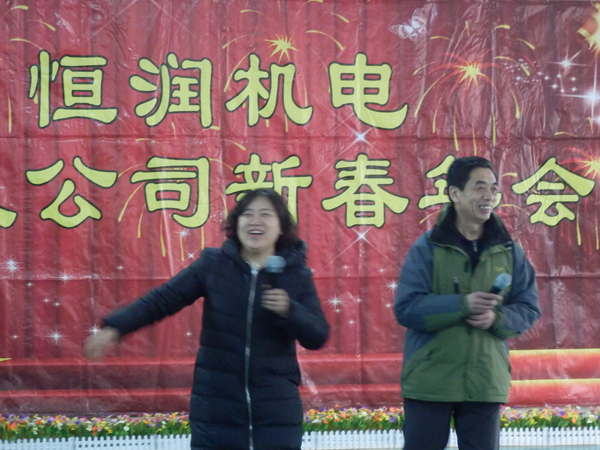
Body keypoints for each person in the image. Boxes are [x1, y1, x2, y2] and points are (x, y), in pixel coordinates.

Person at [84, 188, 330, 450]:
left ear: (281, 227)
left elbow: (317, 336)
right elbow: (162, 300)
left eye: (265, 215)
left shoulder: (295, 275)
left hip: (276, 412)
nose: (255, 221)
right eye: (247, 214)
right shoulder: (213, 265)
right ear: (236, 224)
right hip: (217, 409)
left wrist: (290, 310)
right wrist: (115, 328)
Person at [394, 156, 540, 450]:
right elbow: (407, 308)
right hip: (430, 383)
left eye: (494, 188)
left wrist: (496, 319)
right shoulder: (427, 247)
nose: (489, 196)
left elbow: (529, 308)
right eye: (479, 187)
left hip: (484, 382)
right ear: (455, 193)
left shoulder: (509, 251)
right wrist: (462, 305)